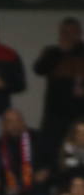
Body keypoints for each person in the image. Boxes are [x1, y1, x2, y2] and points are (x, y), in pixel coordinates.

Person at [32, 16, 84, 152]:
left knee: (75, 151)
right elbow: (38, 69)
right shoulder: (52, 52)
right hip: (54, 113)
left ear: (79, 33)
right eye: (63, 32)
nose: (66, 36)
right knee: (51, 149)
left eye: (70, 32)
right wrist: (61, 52)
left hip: (79, 112)